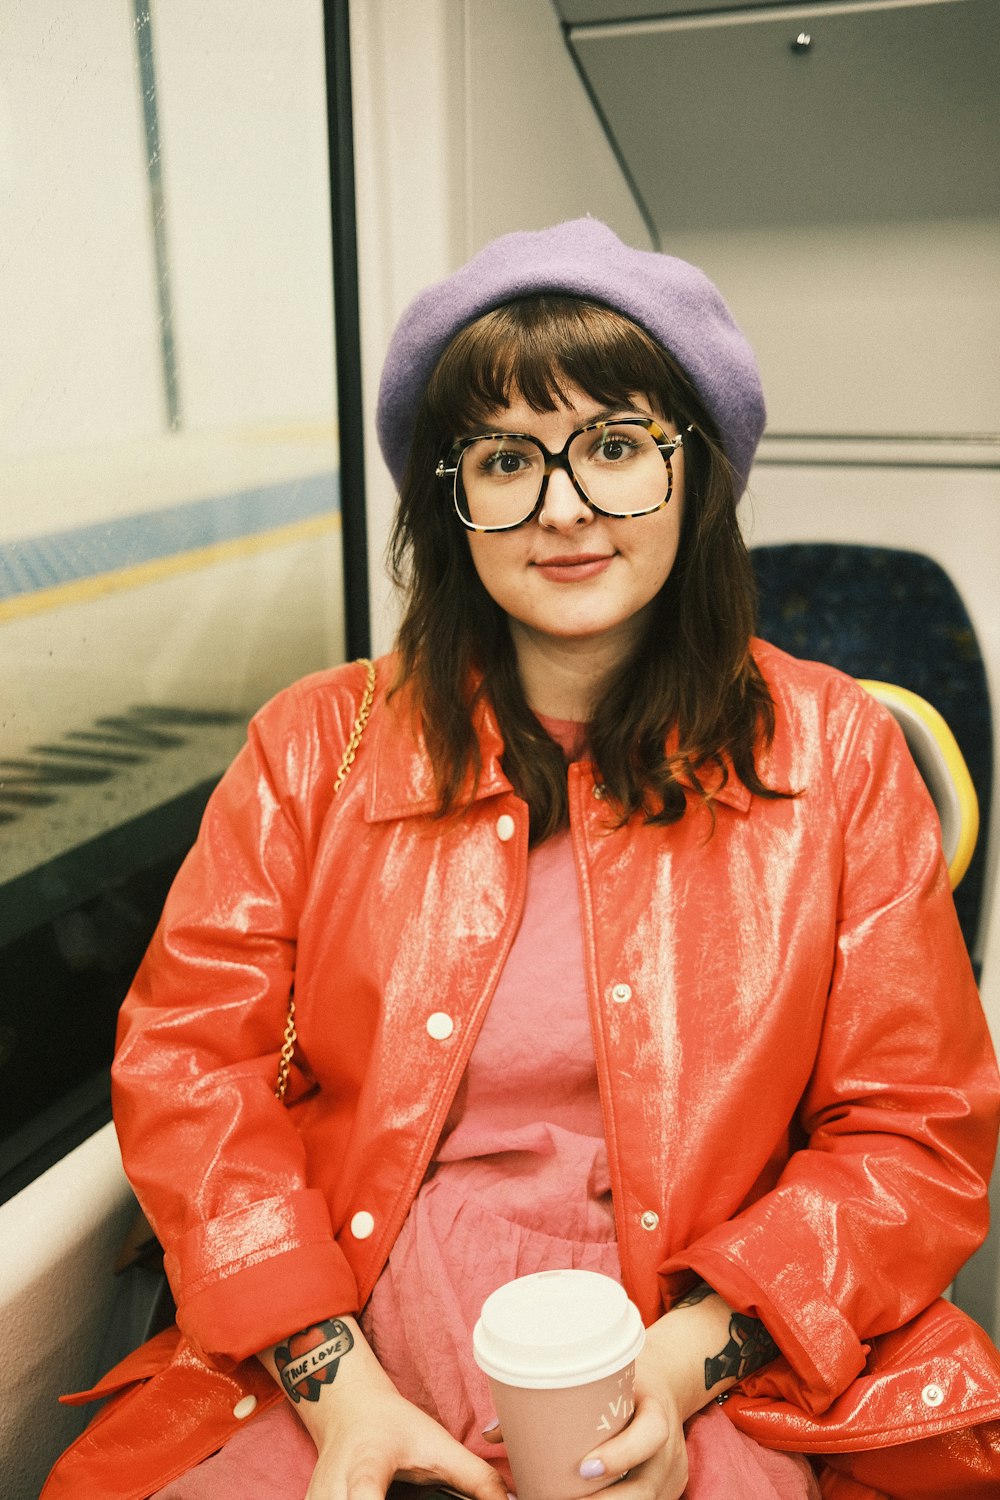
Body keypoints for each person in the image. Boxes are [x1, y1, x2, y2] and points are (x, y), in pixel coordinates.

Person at [44, 218, 1000, 1500]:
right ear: (453, 498)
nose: (562, 508)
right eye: (506, 458)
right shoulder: (311, 745)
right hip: (344, 1328)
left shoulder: (840, 755)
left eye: (613, 447)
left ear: (695, 475)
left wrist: (667, 1380)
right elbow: (189, 1077)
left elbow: (912, 1136)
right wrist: (342, 1399)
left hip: (703, 1337)